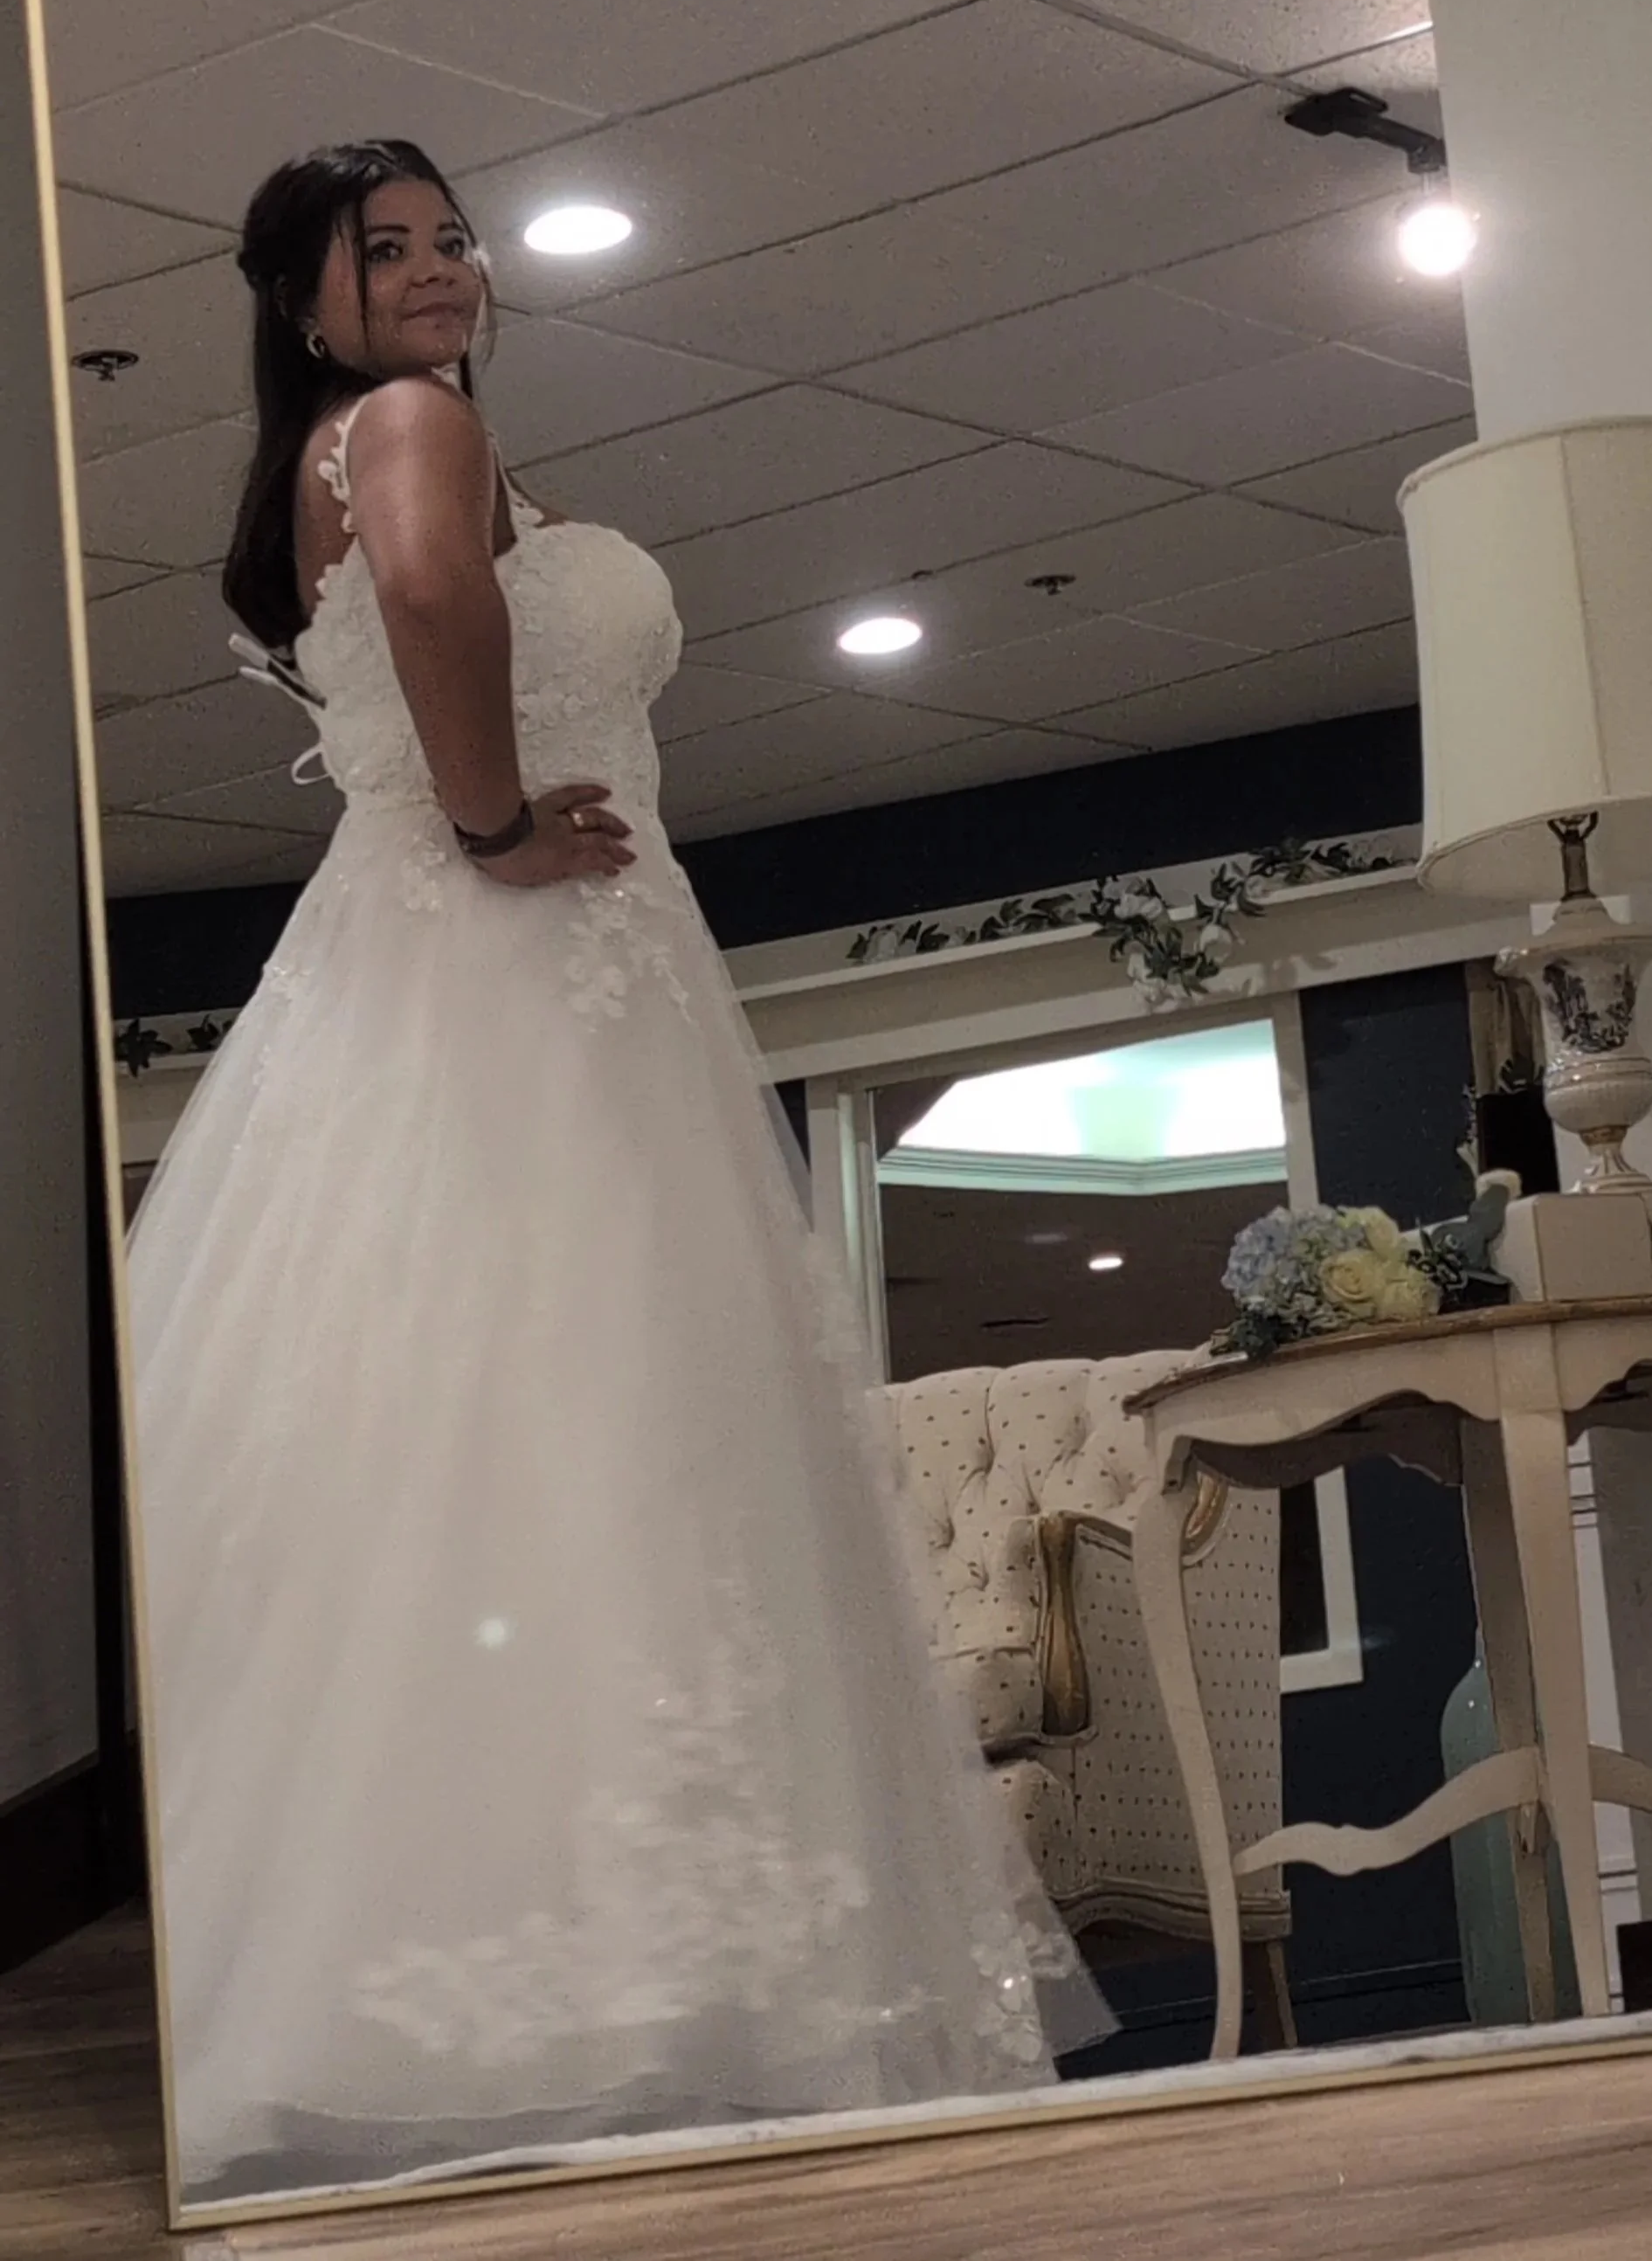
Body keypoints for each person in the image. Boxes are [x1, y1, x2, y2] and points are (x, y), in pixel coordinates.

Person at [126, 138, 1110, 2208]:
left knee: (508, 1438)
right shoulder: (404, 426)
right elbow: (423, 592)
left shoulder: (369, 439)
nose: (436, 269)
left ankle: (547, 1983)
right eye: (379, 250)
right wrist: (489, 830)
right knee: (596, 1419)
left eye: (448, 237)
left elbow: (418, 598)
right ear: (304, 303)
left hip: (488, 982)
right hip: (508, 963)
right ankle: (635, 1997)